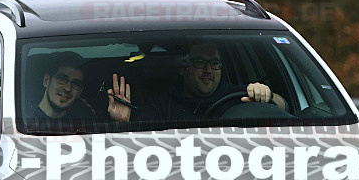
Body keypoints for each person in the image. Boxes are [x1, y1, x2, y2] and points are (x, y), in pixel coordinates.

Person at [105, 43, 286, 123]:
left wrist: (266, 95)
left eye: (214, 63)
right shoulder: (160, 105)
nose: (208, 70)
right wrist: (123, 122)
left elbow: (282, 106)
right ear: (183, 69)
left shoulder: (241, 96)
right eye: (200, 63)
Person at [28, 53, 97, 121]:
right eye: (62, 79)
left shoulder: (83, 123)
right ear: (46, 80)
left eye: (76, 83)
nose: (68, 88)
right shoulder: (26, 118)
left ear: (79, 92)